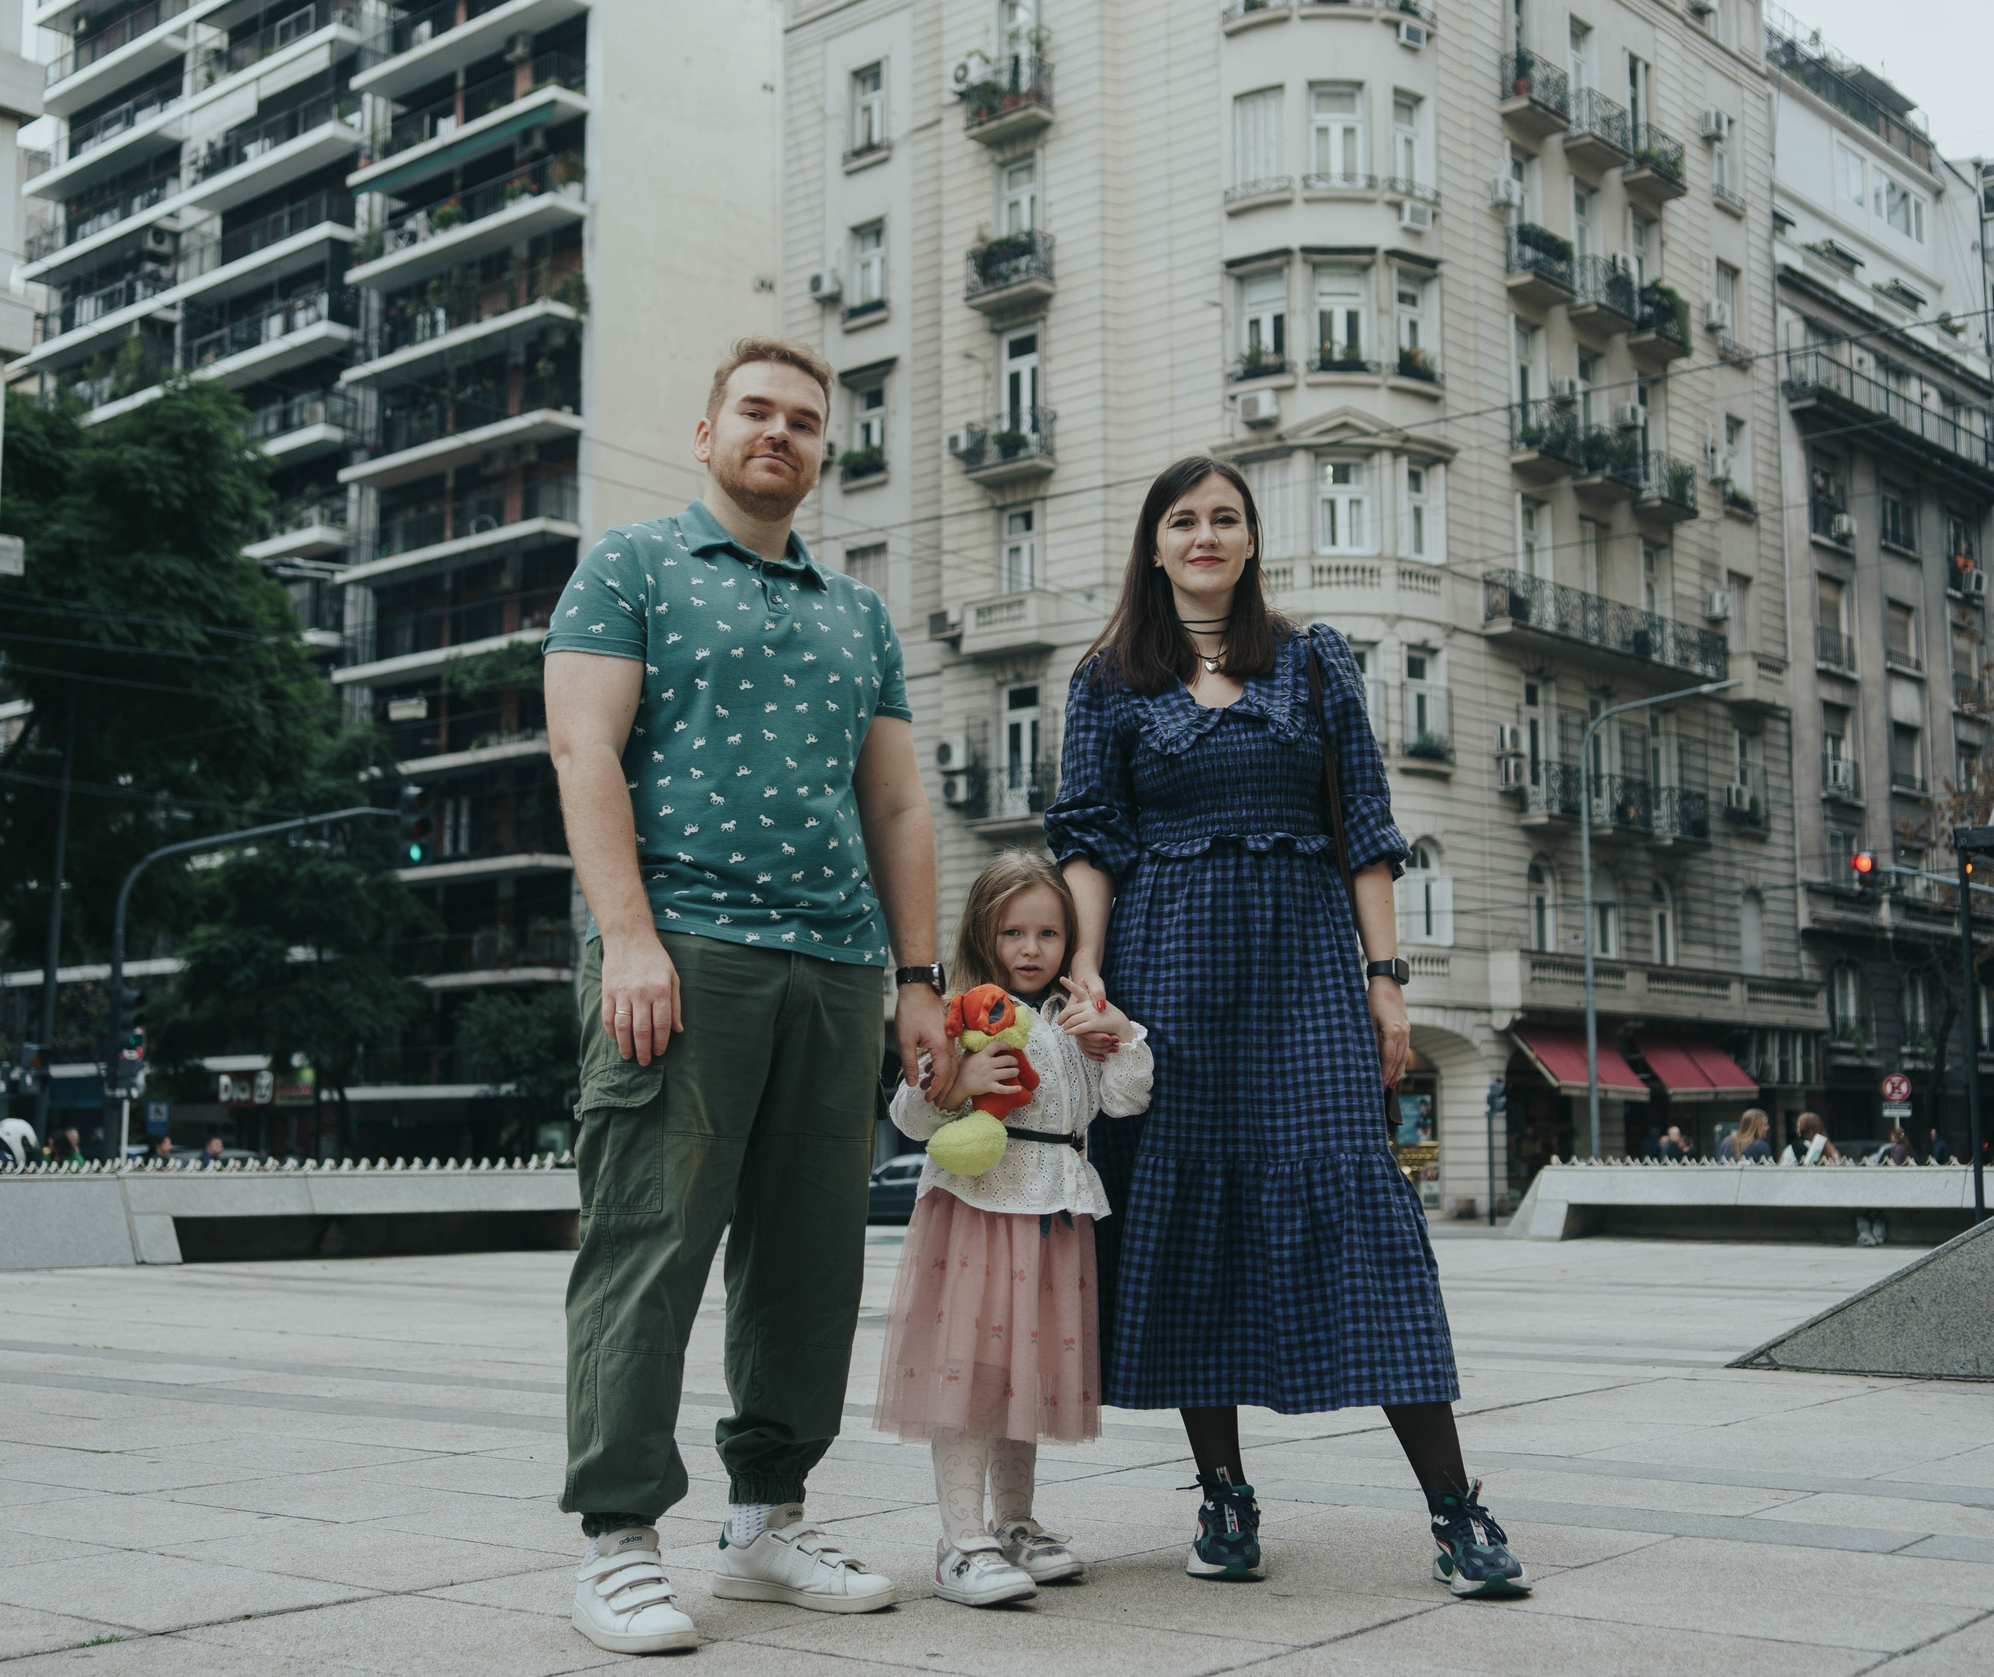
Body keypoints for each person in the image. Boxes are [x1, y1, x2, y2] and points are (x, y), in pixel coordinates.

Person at [1045, 456, 1528, 1600]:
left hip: (1306, 965)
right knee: (1187, 1213)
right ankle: (1223, 1493)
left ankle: (1455, 1509)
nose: (1204, 535)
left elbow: (1364, 821)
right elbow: (1087, 839)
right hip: (1169, 967)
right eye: (1182, 520)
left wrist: (1386, 978)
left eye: (1224, 518)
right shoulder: (1106, 677)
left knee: (1361, 1207)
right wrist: (1087, 975)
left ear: (1252, 540)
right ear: (1153, 546)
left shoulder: (1312, 658)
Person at [542, 337, 946, 1654]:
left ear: (824, 451)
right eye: (758, 413)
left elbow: (894, 800)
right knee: (649, 1248)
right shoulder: (634, 566)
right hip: (684, 951)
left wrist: (919, 976)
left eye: (806, 421)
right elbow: (581, 745)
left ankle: (768, 1517)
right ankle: (617, 1537)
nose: (781, 433)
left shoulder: (857, 610)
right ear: (706, 429)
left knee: (811, 1263)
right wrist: (629, 939)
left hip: (834, 965)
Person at [875, 851, 1151, 1606]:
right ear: (982, 934)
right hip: (976, 1212)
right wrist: (955, 1083)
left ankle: (1016, 1522)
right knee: (971, 1375)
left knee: (1024, 1377)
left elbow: (1125, 1100)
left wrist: (1121, 1033)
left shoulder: (1072, 1020)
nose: (1031, 949)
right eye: (1013, 932)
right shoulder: (961, 1006)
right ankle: (960, 1540)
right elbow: (906, 1111)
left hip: (1054, 1214)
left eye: (1049, 933)